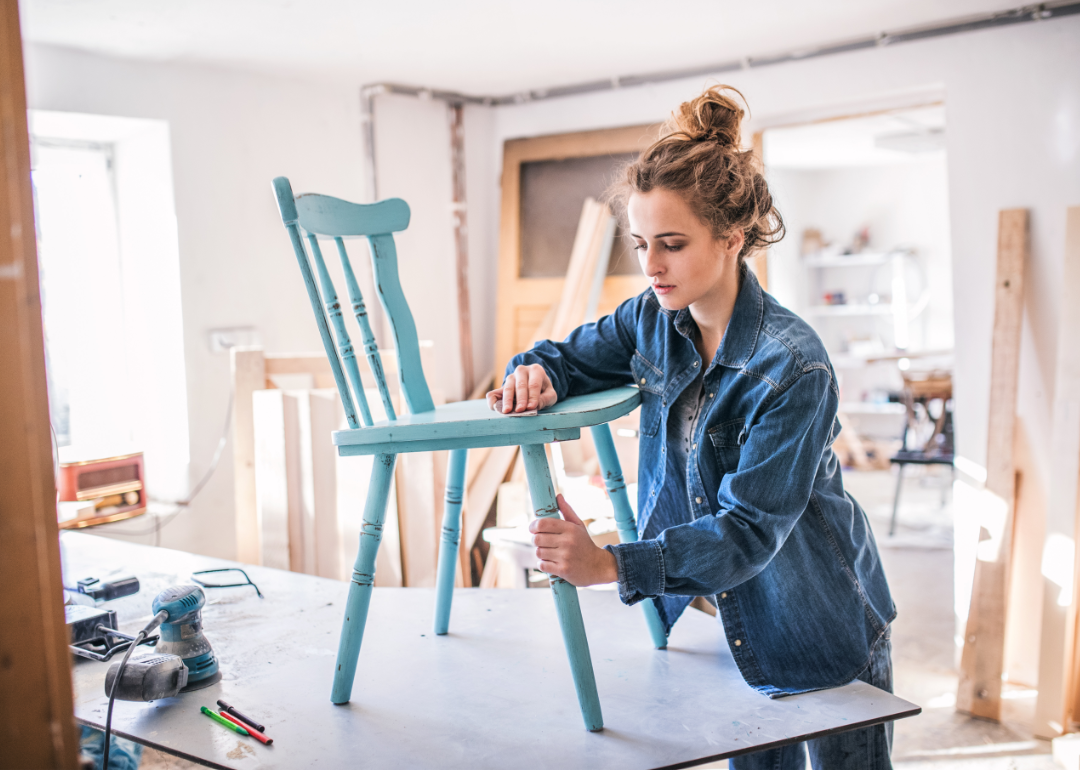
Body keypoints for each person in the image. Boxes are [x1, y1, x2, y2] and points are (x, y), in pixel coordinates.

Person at [487, 85, 896, 770]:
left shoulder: (792, 368)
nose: (651, 266)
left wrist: (609, 564)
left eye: (671, 245)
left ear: (732, 238)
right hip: (727, 629)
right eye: (642, 243)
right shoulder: (649, 317)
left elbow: (745, 534)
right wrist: (536, 372)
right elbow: (567, 356)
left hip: (820, 622)